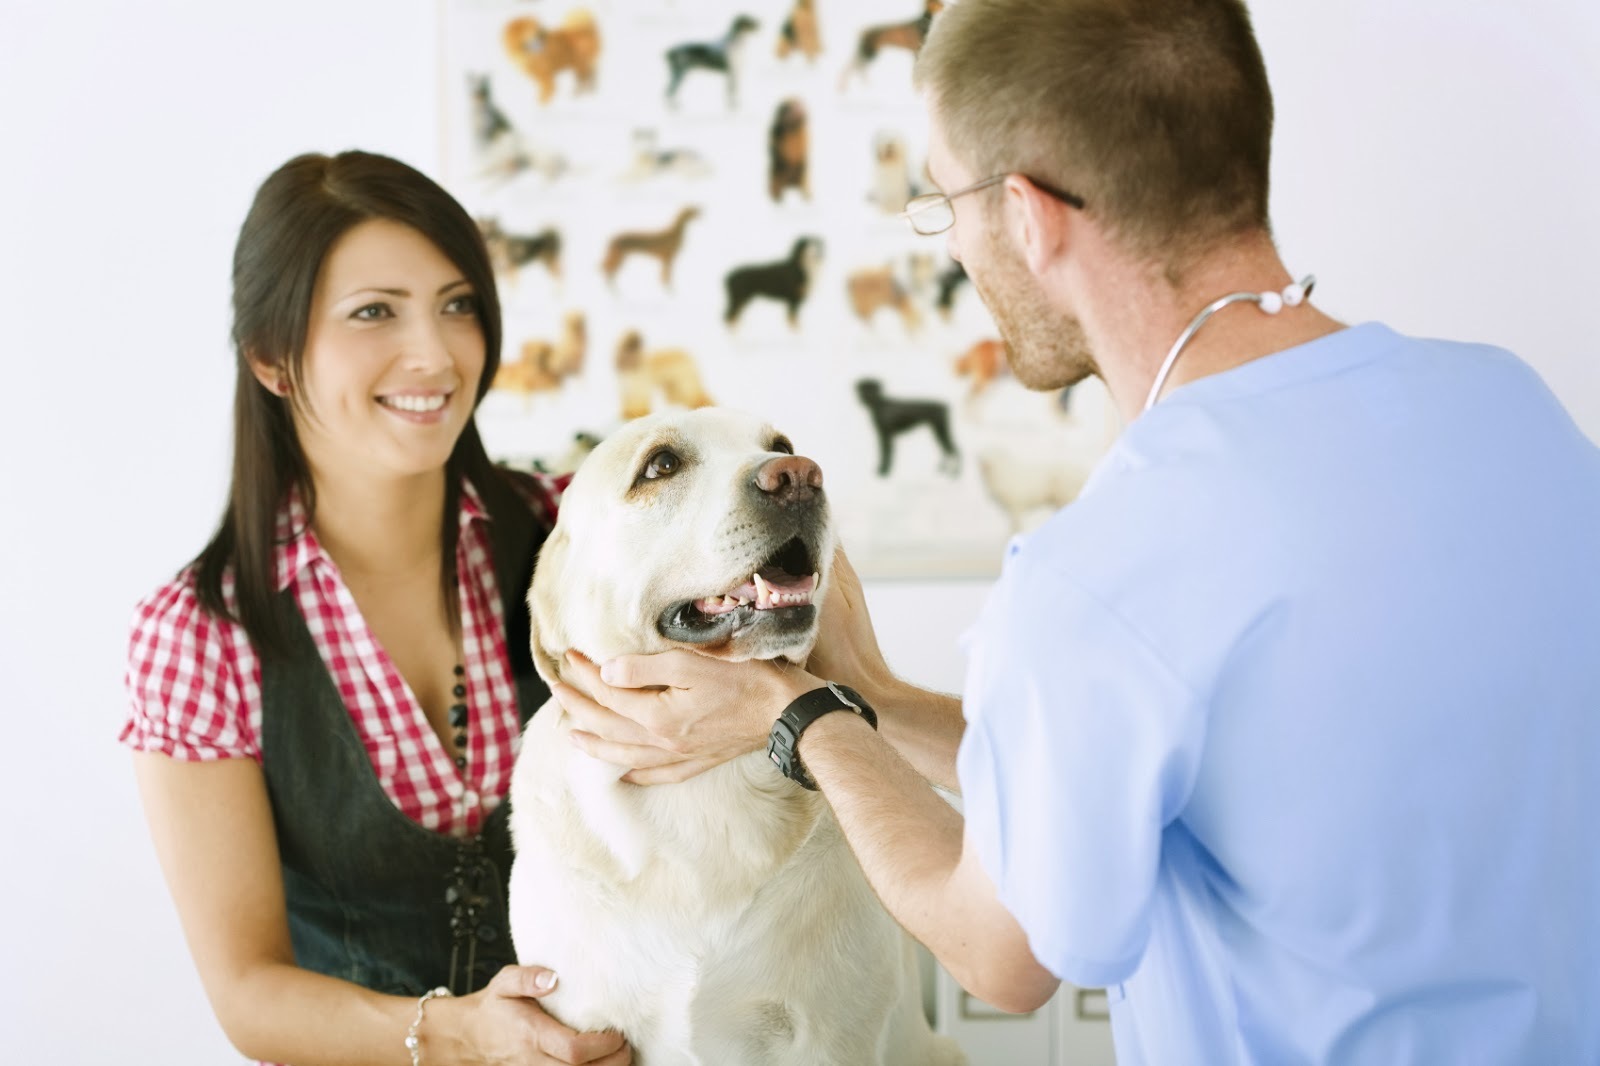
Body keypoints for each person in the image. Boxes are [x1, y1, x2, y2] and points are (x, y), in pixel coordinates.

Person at [549, 1, 1600, 1063]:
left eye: (944, 201)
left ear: (1027, 213)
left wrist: (800, 711)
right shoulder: (1511, 409)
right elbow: (1154, 767)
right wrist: (874, 699)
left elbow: (1001, 950)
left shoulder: (1101, 568)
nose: (954, 241)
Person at [122, 150, 630, 1066]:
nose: (436, 355)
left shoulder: (576, 532)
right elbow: (249, 993)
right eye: (373, 313)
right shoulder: (202, 636)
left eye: (458, 303)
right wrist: (459, 1034)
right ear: (274, 359)